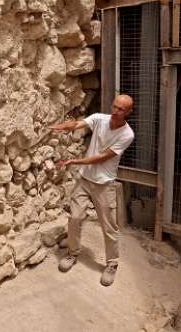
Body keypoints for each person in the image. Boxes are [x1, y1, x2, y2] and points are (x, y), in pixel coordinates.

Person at [49, 94, 135, 286]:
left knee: (109, 227)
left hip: (104, 184)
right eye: (114, 106)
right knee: (75, 217)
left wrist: (74, 161)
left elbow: (101, 158)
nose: (115, 111)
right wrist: (61, 127)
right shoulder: (99, 119)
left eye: (121, 109)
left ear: (129, 112)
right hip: (85, 180)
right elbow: (78, 124)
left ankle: (112, 264)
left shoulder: (127, 134)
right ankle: (72, 253)